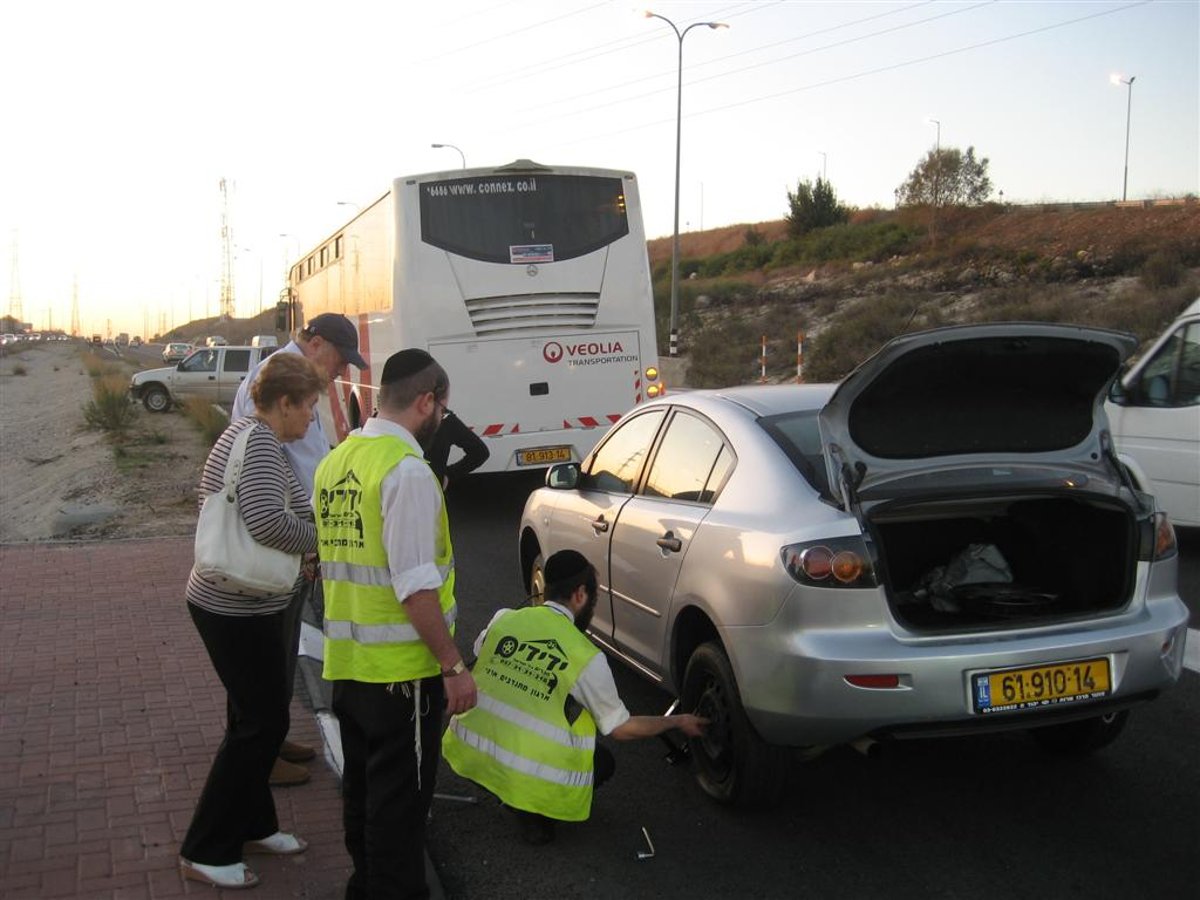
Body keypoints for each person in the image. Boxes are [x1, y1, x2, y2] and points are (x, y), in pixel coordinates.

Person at [314, 348, 477, 900]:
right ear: (427, 401)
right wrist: (452, 665)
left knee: (362, 795)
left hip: (349, 665)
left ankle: (365, 887)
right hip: (401, 677)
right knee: (400, 809)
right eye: (442, 409)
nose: (441, 420)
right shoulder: (406, 473)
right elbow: (414, 585)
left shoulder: (336, 462)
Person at [179, 352, 327, 890]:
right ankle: (206, 847)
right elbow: (267, 521)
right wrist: (323, 540)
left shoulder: (244, 432)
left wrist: (309, 521)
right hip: (237, 607)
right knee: (262, 725)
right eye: (308, 406)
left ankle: (256, 824)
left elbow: (249, 504)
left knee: (253, 720)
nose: (311, 418)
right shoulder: (262, 441)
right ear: (284, 403)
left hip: (232, 602)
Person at [441, 549, 708, 845]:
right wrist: (677, 721)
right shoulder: (585, 657)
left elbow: (481, 656)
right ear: (581, 594)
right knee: (602, 762)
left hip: (472, 749)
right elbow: (620, 728)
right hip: (519, 765)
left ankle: (504, 786)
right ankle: (530, 807)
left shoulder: (504, 619)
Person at [232, 313, 368, 786]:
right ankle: (259, 749)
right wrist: (326, 537)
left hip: (285, 533)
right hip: (282, 539)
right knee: (269, 653)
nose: (339, 371)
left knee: (280, 650)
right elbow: (308, 473)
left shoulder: (282, 376)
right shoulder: (285, 388)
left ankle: (270, 736)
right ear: (314, 343)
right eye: (337, 359)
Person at [425, 407, 489, 489]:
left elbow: (480, 452)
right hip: (433, 489)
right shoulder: (446, 418)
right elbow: (480, 452)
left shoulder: (406, 418)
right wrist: (447, 475)